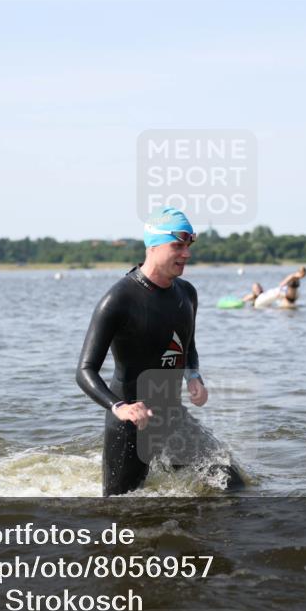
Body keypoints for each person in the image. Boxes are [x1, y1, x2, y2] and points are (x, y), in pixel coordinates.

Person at [76, 207, 245, 496]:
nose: (186, 254)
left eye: (188, 246)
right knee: (123, 509)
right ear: (153, 246)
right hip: (131, 426)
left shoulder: (187, 293)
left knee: (232, 483)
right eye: (177, 246)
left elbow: (186, 343)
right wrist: (120, 407)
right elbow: (84, 371)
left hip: (173, 417)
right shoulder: (118, 300)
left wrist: (194, 375)